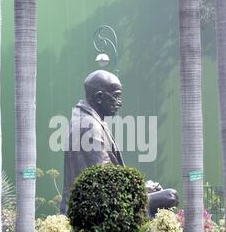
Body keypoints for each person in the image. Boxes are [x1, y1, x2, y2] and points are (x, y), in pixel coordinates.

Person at [60, 70, 178, 217]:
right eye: (116, 96)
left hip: (101, 202)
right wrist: (140, 191)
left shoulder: (91, 119)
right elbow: (104, 181)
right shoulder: (89, 125)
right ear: (99, 97)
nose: (119, 102)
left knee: (163, 195)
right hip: (95, 211)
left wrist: (142, 189)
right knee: (170, 196)